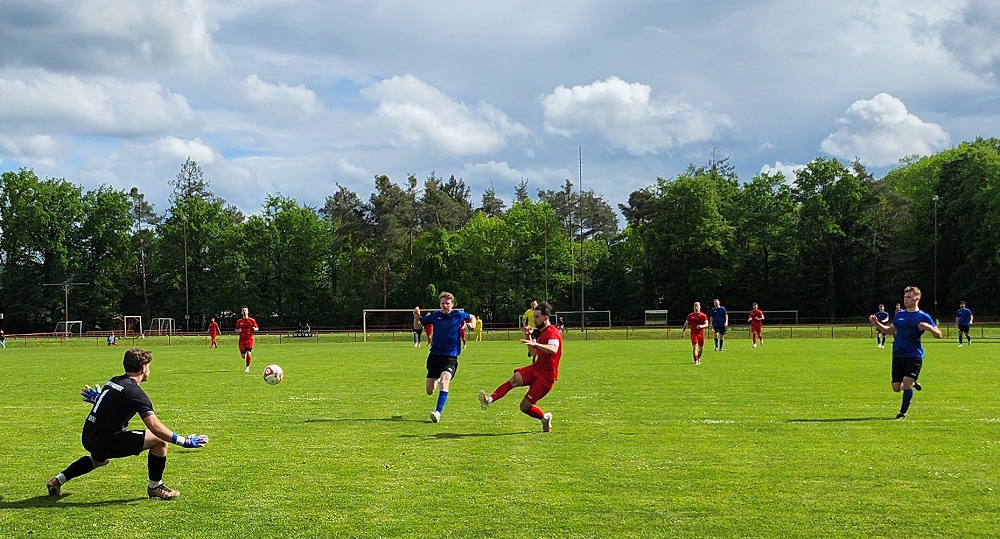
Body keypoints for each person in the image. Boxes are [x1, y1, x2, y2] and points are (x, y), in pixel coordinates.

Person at [45, 348, 209, 500]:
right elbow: (155, 427)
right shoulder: (136, 393)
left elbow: (111, 401)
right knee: (160, 440)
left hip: (89, 435)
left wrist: (96, 399)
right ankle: (155, 487)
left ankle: (57, 481)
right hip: (106, 439)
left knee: (99, 459)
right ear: (143, 368)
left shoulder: (114, 381)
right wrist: (184, 441)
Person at [479, 302, 561, 432]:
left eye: (537, 317)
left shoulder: (552, 332)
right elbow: (533, 353)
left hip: (546, 377)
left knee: (524, 406)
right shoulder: (542, 333)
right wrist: (529, 337)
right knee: (515, 379)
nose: (534, 320)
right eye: (534, 317)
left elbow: (553, 349)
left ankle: (544, 418)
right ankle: (489, 400)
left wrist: (535, 344)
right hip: (536, 368)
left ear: (546, 317)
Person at [869, 286, 942, 419]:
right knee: (896, 387)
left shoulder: (923, 316)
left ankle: (902, 413)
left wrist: (929, 327)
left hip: (914, 356)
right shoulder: (900, 315)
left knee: (906, 384)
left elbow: (939, 335)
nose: (905, 299)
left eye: (908, 297)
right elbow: (890, 330)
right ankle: (913, 383)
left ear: (916, 299)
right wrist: (877, 324)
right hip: (898, 355)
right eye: (905, 297)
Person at [414, 292, 476, 423]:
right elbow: (418, 326)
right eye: (443, 303)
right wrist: (416, 317)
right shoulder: (435, 316)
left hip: (450, 357)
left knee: (444, 381)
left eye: (448, 303)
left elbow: (472, 317)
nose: (445, 305)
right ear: (440, 304)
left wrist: (473, 325)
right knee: (430, 391)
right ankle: (436, 379)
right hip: (434, 356)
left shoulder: (458, 315)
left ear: (452, 304)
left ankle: (437, 412)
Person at [235, 306, 259, 373]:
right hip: (242, 341)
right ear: (241, 312)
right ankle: (246, 357)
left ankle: (247, 367)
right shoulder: (239, 321)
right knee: (243, 356)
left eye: (245, 310)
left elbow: (257, 328)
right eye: (243, 310)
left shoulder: (252, 320)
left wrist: (255, 329)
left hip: (249, 339)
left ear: (248, 311)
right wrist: (238, 330)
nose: (244, 311)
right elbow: (236, 329)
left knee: (249, 353)